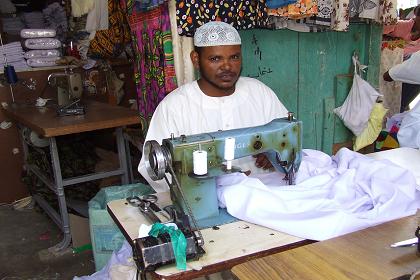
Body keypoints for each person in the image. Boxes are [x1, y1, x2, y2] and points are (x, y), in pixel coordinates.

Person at [137, 21, 289, 192]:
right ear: (196, 59)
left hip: (266, 194)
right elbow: (152, 167)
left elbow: (287, 143)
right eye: (215, 59)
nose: (227, 66)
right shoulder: (174, 107)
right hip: (204, 202)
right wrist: (214, 184)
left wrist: (276, 157)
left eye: (234, 57)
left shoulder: (260, 94)